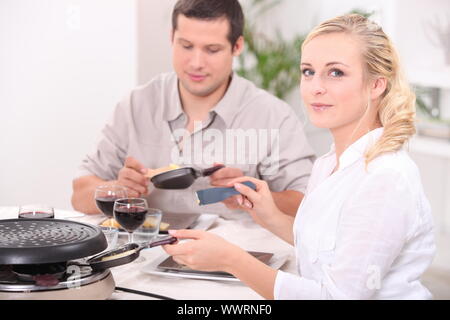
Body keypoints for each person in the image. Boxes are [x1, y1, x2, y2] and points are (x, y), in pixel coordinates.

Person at [163, 14, 436, 299]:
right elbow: (327, 254)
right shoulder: (330, 163)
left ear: (376, 85)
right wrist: (269, 217)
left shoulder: (385, 177)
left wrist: (230, 259)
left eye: (336, 73)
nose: (315, 87)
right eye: (308, 71)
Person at [71, 0, 315, 218]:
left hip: (237, 259)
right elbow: (79, 194)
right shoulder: (136, 105)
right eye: (186, 46)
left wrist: (250, 195)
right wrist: (118, 188)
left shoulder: (273, 116)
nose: (196, 63)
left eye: (212, 50)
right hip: (146, 253)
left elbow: (308, 204)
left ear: (237, 46)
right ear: (171, 38)